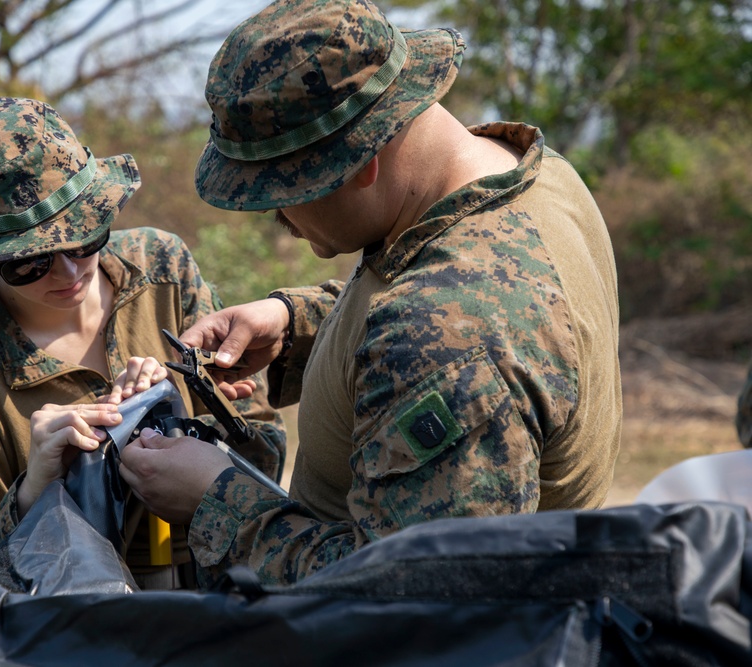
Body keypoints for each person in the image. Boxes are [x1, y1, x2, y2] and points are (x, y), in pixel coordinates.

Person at [118, 0, 621, 588]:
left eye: (281, 190)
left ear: (360, 162)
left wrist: (218, 499)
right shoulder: (524, 174)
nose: (278, 214)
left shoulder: (450, 339)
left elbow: (412, 602)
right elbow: (439, 290)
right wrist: (294, 323)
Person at [0, 96, 285, 618]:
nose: (69, 273)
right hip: (83, 635)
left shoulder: (163, 271)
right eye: (30, 262)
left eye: (86, 238)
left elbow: (264, 447)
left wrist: (182, 417)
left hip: (223, 607)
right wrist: (34, 493)